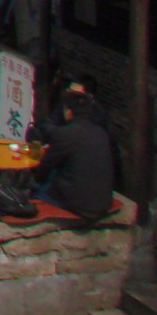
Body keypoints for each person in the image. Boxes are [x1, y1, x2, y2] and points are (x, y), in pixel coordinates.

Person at [30, 91, 116, 219]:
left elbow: (45, 168)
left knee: (38, 190)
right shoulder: (101, 133)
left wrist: (35, 181)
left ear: (69, 112)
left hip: (79, 205)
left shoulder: (65, 133)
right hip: (104, 202)